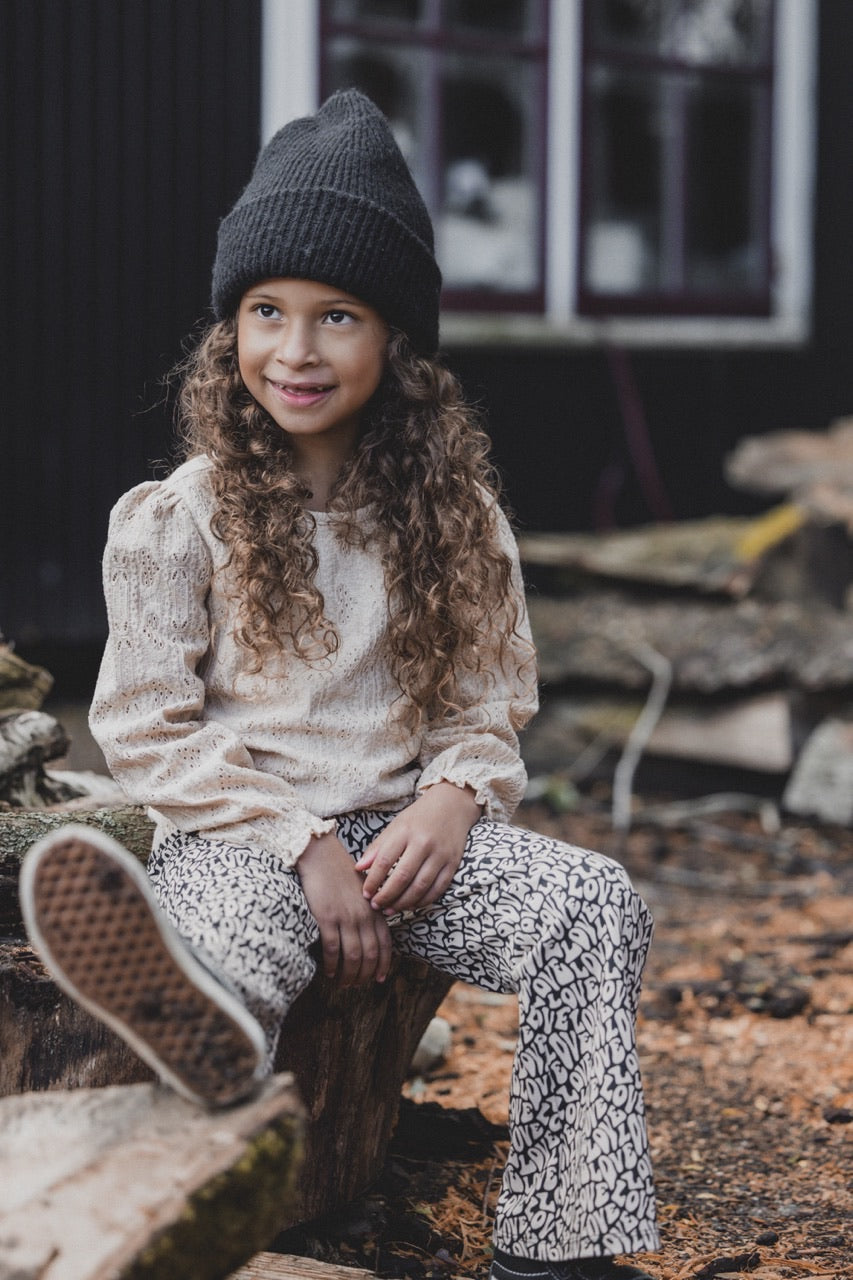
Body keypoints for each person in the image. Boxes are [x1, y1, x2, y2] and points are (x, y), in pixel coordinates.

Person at [20, 90, 659, 1280]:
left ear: (397, 345)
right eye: (266, 311)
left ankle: (562, 1240)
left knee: (593, 905)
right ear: (230, 331)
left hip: (403, 841)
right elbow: (143, 729)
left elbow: (485, 701)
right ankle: (195, 1166)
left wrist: (453, 798)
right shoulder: (180, 518)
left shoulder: (457, 520)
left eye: (337, 317)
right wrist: (298, 839)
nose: (294, 350)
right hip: (238, 829)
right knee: (236, 954)